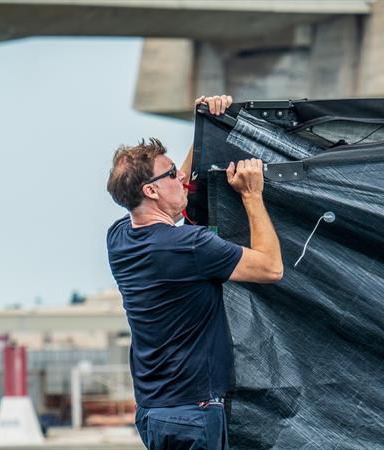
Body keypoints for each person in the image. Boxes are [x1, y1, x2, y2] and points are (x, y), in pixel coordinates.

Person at [105, 95, 283, 450]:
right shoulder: (190, 246)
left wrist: (204, 124)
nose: (181, 174)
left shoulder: (119, 237)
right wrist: (252, 196)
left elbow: (175, 192)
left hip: (154, 412)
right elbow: (270, 267)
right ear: (151, 190)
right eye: (172, 173)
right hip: (193, 414)